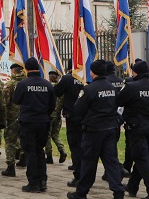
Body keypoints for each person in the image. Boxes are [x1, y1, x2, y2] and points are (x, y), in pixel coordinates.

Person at [67, 59, 125, 199]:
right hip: (110, 129)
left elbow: (78, 109)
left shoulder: (89, 89)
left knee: (88, 162)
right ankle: (118, 191)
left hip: (93, 131)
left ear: (93, 72)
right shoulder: (112, 88)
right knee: (111, 162)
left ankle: (81, 192)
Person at [116, 60, 149, 199]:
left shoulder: (132, 86)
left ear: (135, 72)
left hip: (136, 127)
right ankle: (132, 186)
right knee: (141, 156)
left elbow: (118, 100)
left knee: (141, 159)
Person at [12, 57, 56, 193]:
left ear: (26, 69)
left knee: (30, 151)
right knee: (39, 150)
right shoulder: (47, 84)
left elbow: (16, 100)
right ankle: (43, 181)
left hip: (28, 122)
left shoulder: (23, 84)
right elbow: (52, 105)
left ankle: (33, 182)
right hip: (43, 121)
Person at [55, 68, 85, 188]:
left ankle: (79, 175)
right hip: (86, 116)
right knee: (85, 145)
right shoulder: (86, 77)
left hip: (72, 116)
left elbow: (57, 92)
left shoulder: (67, 78)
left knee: (75, 146)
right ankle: (85, 172)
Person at [2, 63, 26, 177]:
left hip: (12, 117)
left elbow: (4, 102)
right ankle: (23, 157)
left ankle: (10, 166)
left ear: (13, 71)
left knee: (10, 141)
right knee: (24, 138)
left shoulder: (10, 84)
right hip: (26, 115)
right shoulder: (27, 83)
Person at [46, 70, 68, 164]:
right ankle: (62, 150)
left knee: (47, 136)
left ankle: (49, 156)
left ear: (50, 78)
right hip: (58, 115)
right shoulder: (61, 89)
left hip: (49, 115)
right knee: (55, 135)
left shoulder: (49, 87)